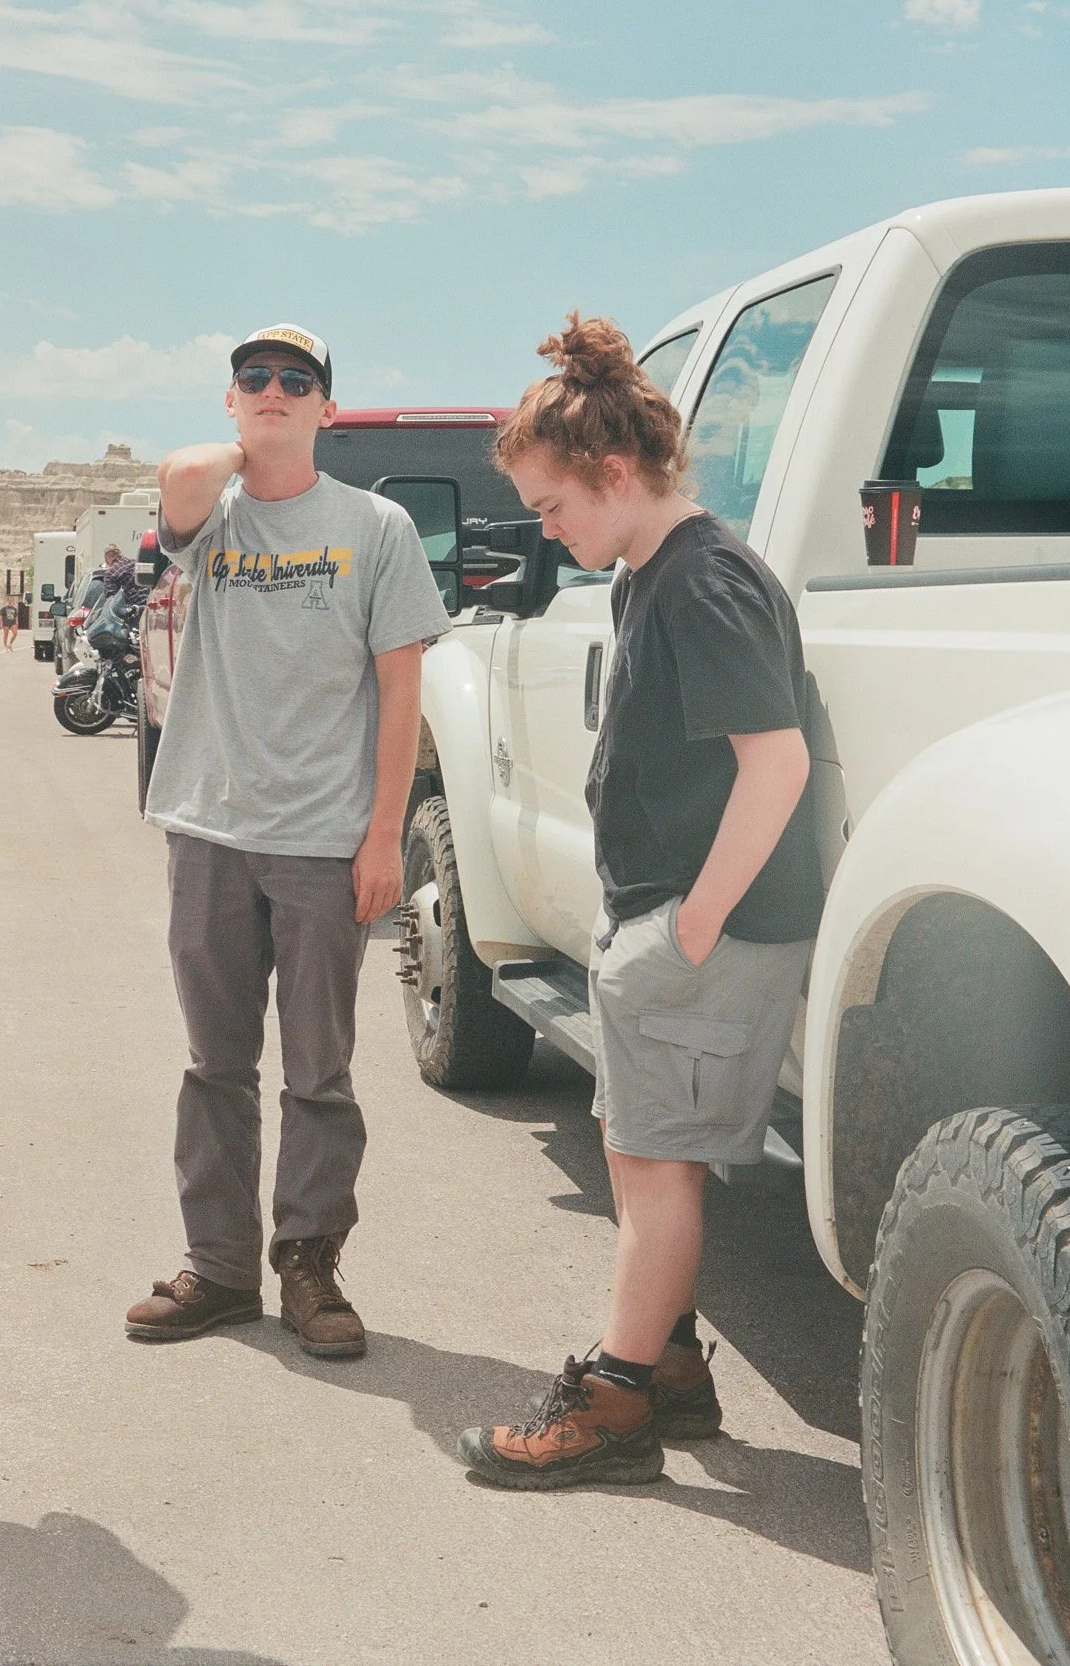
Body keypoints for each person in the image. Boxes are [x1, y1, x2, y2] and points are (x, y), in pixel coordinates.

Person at [457, 314, 822, 1490]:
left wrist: (695, 925)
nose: (548, 531)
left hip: (703, 929)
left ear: (616, 474)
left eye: (555, 506)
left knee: (658, 1170)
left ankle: (614, 1405)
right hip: (664, 922)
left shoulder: (703, 581)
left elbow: (778, 763)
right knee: (638, 1157)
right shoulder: (650, 573)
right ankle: (667, 1368)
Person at [126, 323, 452, 1358]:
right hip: (212, 828)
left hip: (323, 838)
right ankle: (219, 1271)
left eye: (295, 381)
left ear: (327, 405)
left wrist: (384, 837)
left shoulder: (377, 527)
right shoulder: (209, 517)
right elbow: (176, 483)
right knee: (214, 1065)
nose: (273, 391)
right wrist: (244, 453)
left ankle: (308, 1264)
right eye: (253, 380)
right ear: (230, 402)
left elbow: (402, 690)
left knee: (320, 1072)